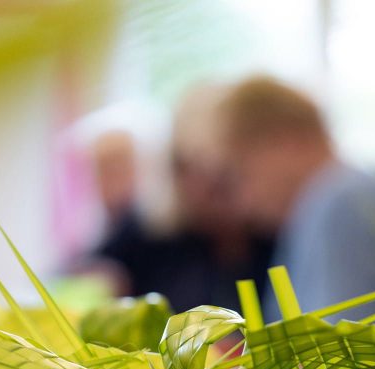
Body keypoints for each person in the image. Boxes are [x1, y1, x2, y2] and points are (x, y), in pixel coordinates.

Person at [218, 76, 375, 331]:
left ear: (282, 140)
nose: (244, 203)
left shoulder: (339, 201)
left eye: (241, 175)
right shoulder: (357, 189)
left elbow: (328, 356)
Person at [89, 84, 273, 312]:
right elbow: (87, 273)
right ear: (176, 170)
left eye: (229, 175)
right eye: (201, 171)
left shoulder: (276, 236)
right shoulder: (147, 232)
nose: (221, 194)